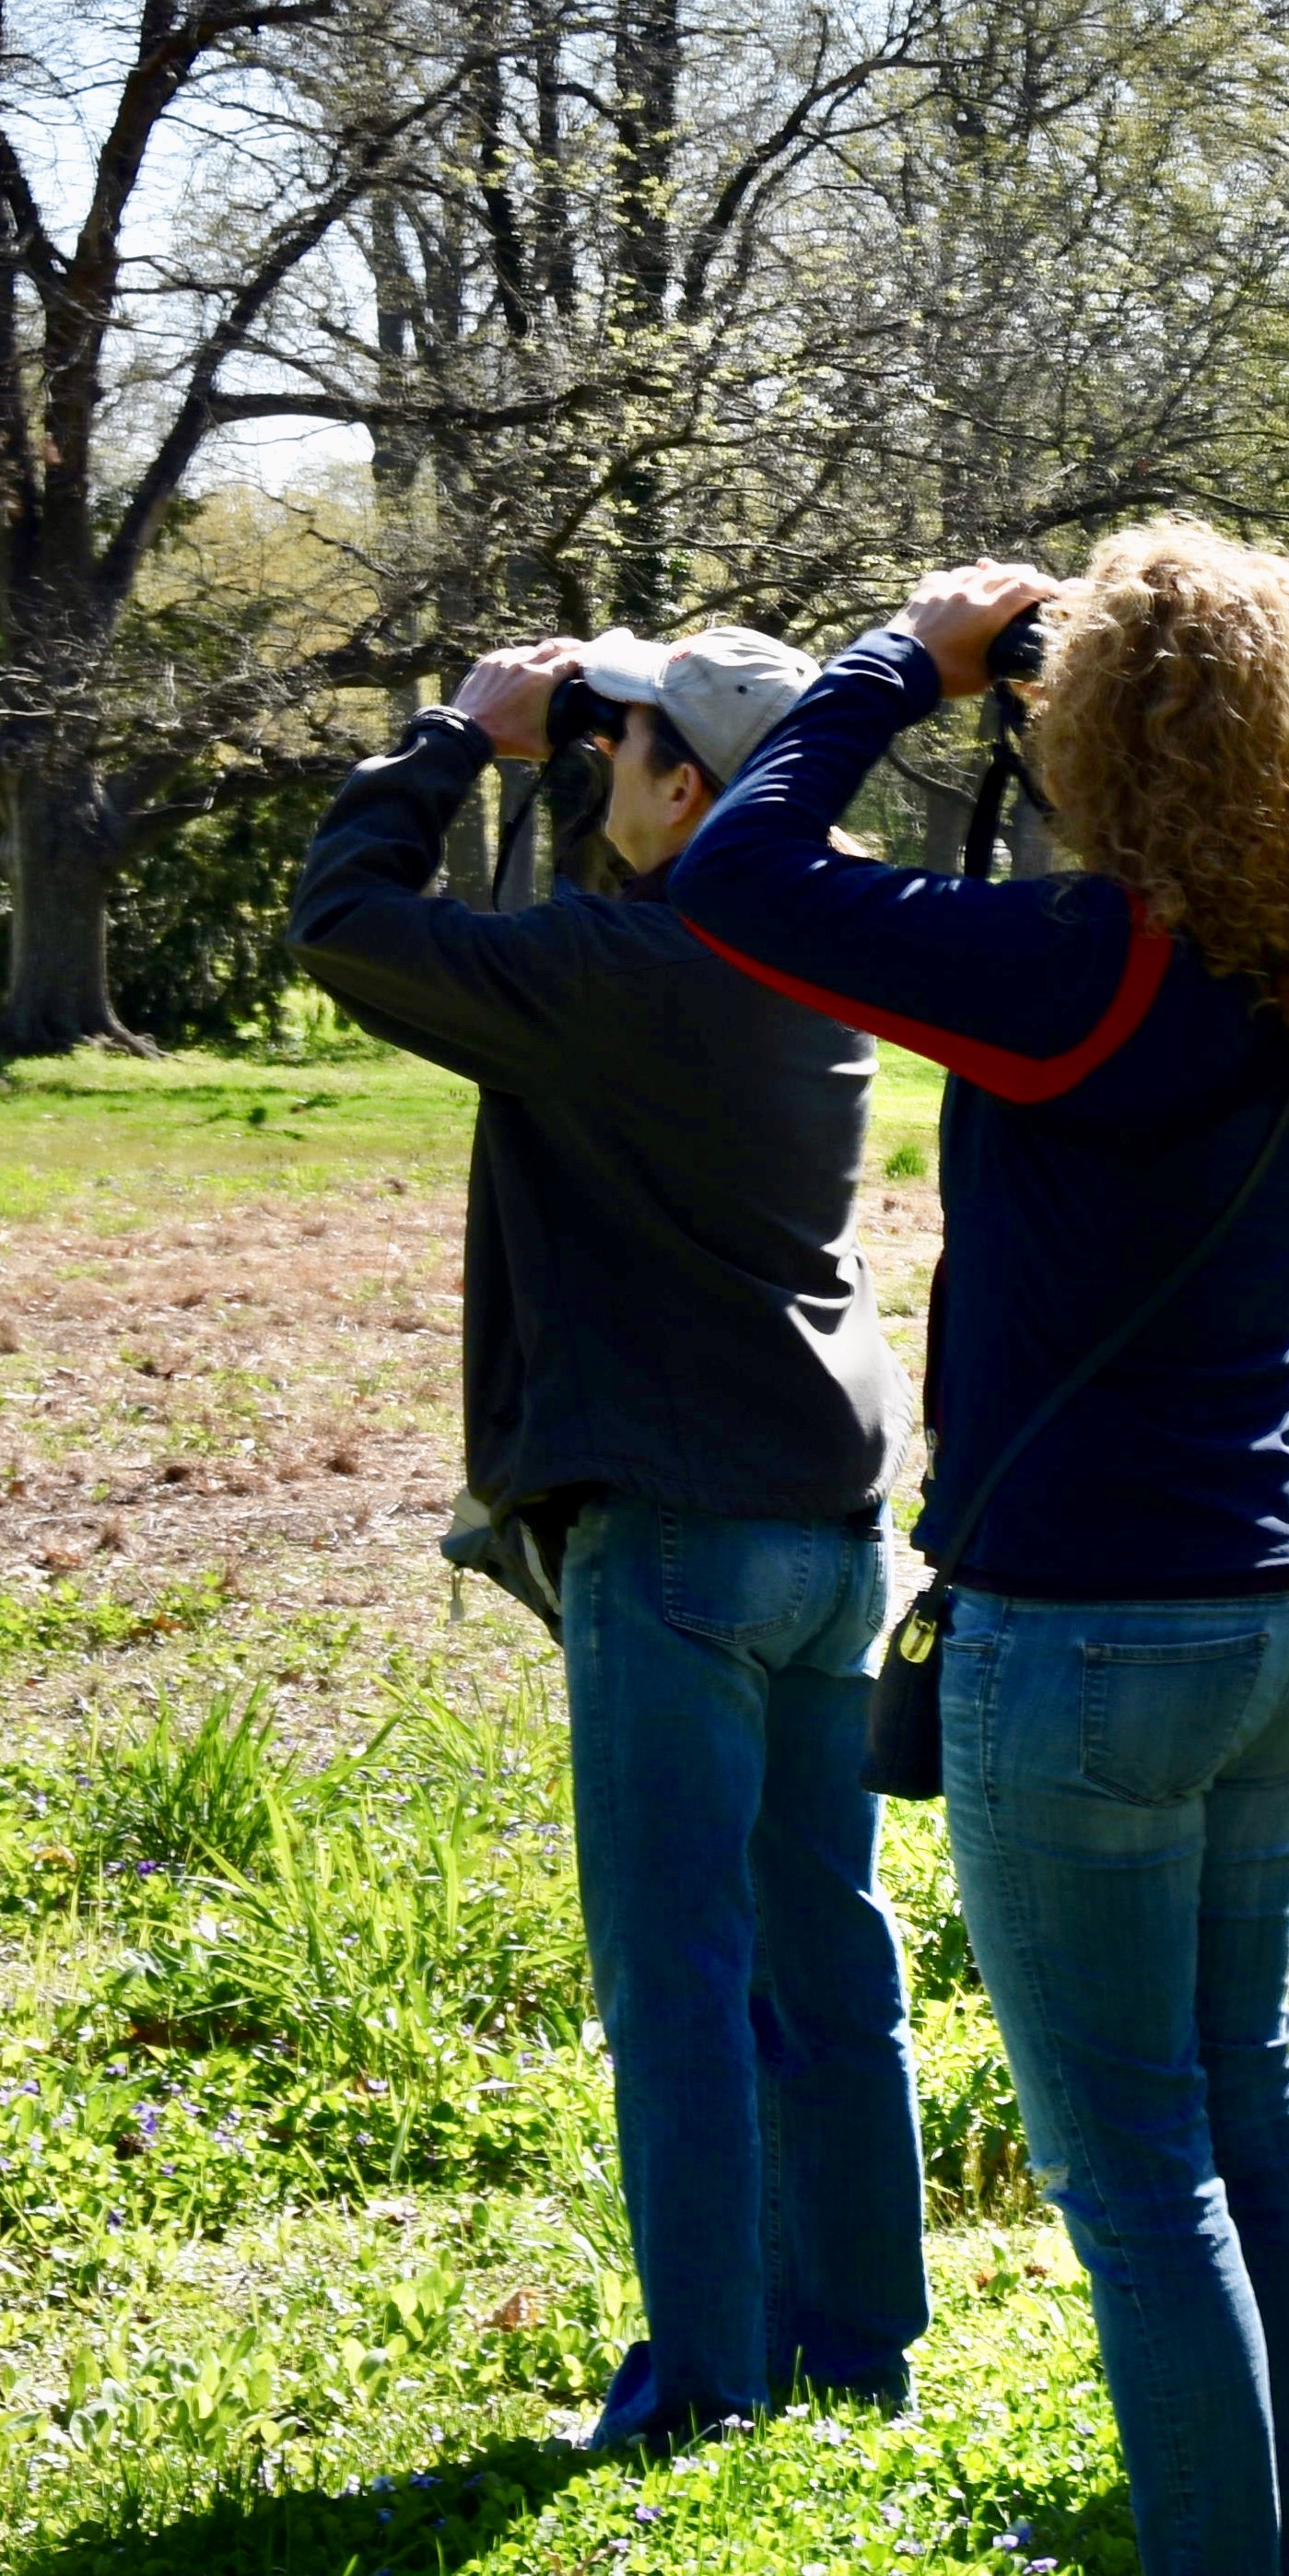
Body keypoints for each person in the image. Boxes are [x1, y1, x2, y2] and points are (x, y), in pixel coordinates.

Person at [670, 525, 1289, 2576]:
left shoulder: (1083, 968)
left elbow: (740, 874)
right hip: (1274, 1607)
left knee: (1134, 2162)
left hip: (1091, 1637)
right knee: (1248, 2105)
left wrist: (900, 666)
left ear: (1100, 736)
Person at [288, 624, 926, 2454]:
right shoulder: (810, 964)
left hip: (677, 1543)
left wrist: (451, 744)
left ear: (697, 795)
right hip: (830, 1524)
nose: (595, 766)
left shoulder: (630, 973)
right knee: (826, 1955)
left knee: (681, 1975)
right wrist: (568, 746)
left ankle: (709, 2380)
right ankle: (858, 2343)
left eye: (624, 745)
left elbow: (347, 921)